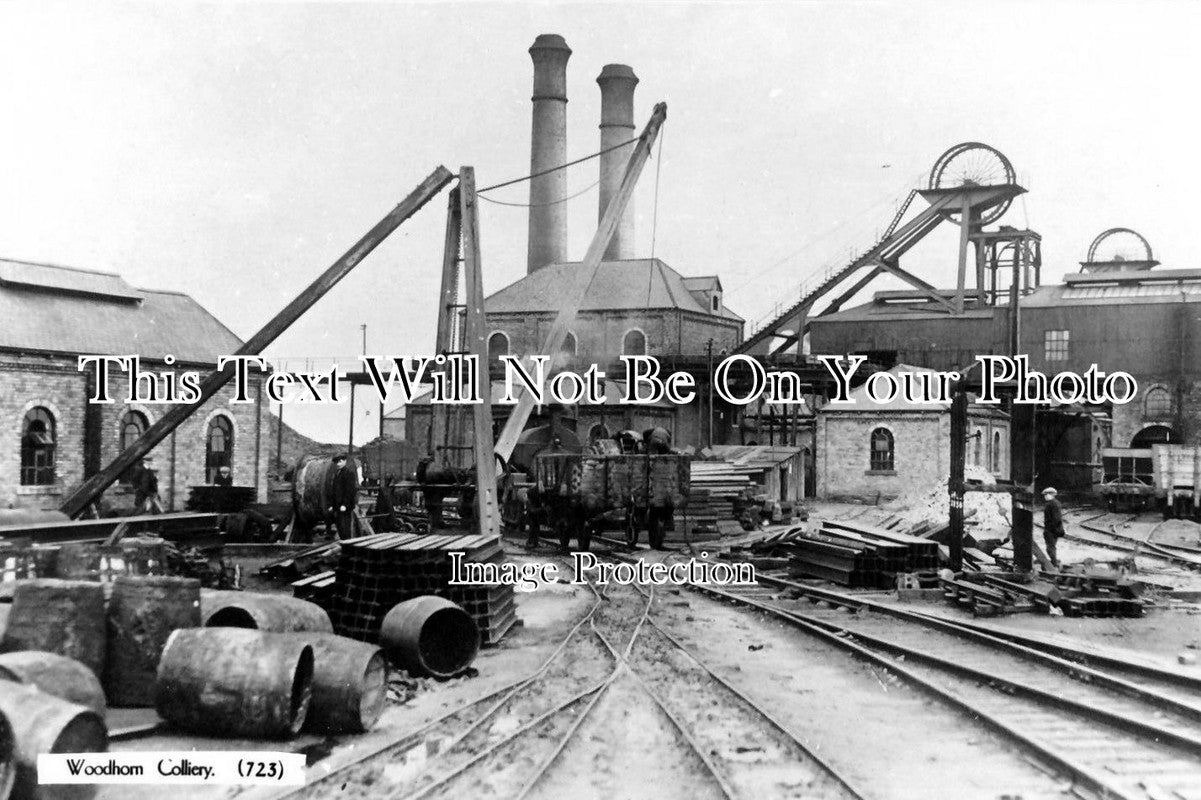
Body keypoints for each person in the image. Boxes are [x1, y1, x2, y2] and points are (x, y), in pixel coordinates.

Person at [329, 454, 357, 539]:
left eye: (340, 462)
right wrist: (333, 505)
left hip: (344, 506)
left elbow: (350, 490)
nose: (338, 464)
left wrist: (345, 504)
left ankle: (347, 543)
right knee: (339, 526)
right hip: (338, 506)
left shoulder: (349, 474)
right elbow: (335, 491)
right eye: (336, 462)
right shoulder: (337, 474)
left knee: (345, 527)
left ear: (345, 461)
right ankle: (343, 541)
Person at [1042, 486, 1065, 568]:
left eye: (1046, 494)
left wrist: (1051, 529)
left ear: (1051, 495)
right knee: (1051, 547)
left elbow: (1056, 519)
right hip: (1054, 529)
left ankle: (1054, 564)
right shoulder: (1054, 503)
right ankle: (1054, 562)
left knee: (1050, 548)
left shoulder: (1052, 504)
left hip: (1051, 530)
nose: (1045, 496)